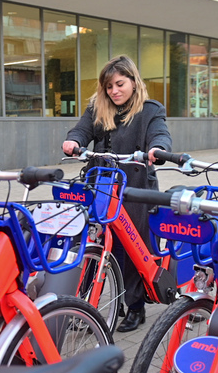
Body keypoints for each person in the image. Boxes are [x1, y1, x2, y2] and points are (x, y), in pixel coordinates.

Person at [62, 55, 172, 333]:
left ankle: (135, 307)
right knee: (94, 239)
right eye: (109, 86)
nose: (114, 91)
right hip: (101, 183)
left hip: (134, 187)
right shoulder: (98, 107)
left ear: (134, 82)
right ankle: (91, 303)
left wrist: (157, 149)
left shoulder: (150, 110)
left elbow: (160, 134)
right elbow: (81, 130)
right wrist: (73, 141)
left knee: (131, 245)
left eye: (120, 84)